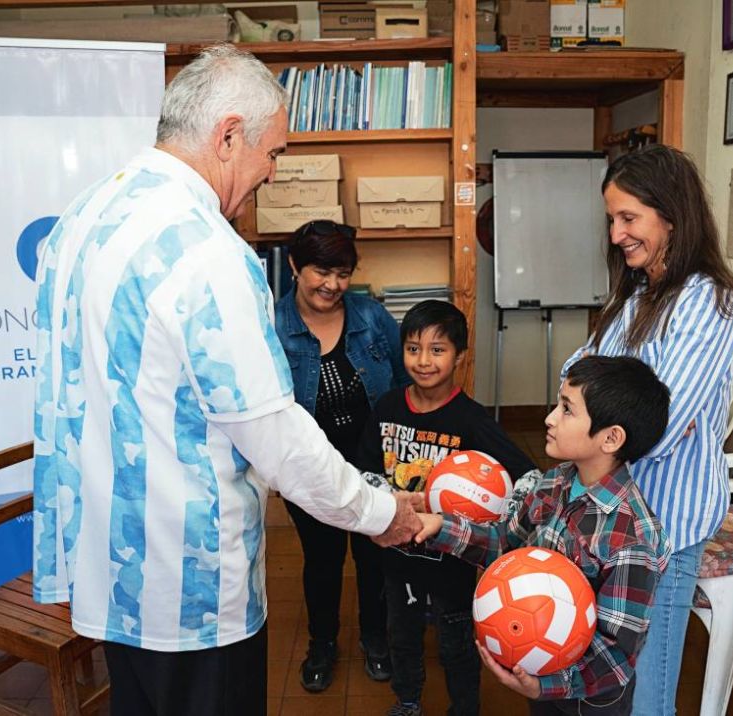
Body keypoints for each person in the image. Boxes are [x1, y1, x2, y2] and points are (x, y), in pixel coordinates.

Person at [31, 44, 421, 716]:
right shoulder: (206, 249)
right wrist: (381, 514)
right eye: (272, 154)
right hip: (191, 594)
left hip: (107, 574)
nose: (271, 174)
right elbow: (273, 433)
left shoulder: (83, 218)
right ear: (229, 135)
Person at [561, 144, 733, 715]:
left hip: (663, 527)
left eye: (628, 218)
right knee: (609, 681)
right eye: (611, 220)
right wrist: (589, 415)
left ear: (671, 215)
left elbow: (655, 429)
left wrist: (586, 421)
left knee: (646, 692)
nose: (617, 235)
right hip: (613, 520)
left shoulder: (707, 304)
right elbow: (577, 374)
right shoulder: (636, 294)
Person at [415, 355, 672, 716]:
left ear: (611, 438)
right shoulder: (554, 482)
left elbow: (614, 655)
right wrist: (440, 526)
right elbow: (505, 545)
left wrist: (545, 686)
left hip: (590, 700)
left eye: (567, 409)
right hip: (539, 671)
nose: (549, 417)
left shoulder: (631, 539)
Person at [357, 300, 539, 716]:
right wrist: (386, 503)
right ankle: (406, 702)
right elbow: (363, 470)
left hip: (452, 562)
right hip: (396, 558)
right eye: (413, 348)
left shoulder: (471, 420)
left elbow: (528, 477)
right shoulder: (386, 407)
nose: (423, 361)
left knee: (457, 645)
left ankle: (464, 708)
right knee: (401, 638)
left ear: (460, 355)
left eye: (437, 350)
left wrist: (492, 517)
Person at [274, 219, 409, 691]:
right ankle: (323, 644)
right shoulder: (273, 326)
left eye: (343, 273)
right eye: (321, 271)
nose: (332, 285)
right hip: (310, 470)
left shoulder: (371, 317)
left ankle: (376, 638)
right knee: (323, 558)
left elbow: (402, 385)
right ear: (294, 265)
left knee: (374, 554)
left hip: (373, 462)